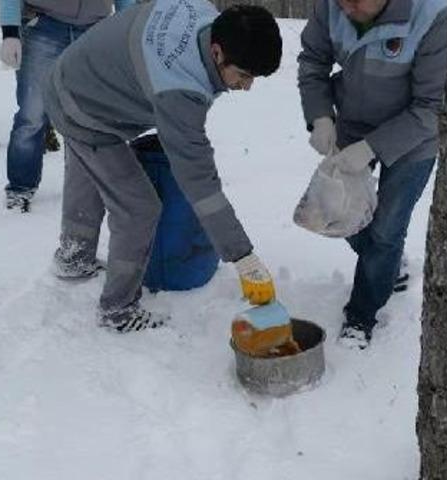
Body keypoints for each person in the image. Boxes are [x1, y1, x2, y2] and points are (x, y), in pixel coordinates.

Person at [42, 1, 283, 332]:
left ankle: (74, 256)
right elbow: (199, 181)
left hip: (73, 77)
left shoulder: (204, 13)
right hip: (85, 110)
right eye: (243, 75)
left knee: (88, 172)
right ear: (216, 52)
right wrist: (242, 256)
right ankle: (118, 310)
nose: (246, 86)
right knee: (138, 208)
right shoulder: (180, 88)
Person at [297, 0, 447, 348]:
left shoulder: (432, 15)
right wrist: (320, 115)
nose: (346, 7)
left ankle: (361, 316)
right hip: (351, 123)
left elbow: (432, 107)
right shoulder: (332, 7)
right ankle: (388, 264)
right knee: (337, 215)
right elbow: (313, 62)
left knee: (385, 231)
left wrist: (372, 148)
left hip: (413, 139)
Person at [0, 0, 132, 212]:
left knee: (91, 118)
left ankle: (87, 188)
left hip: (95, 31)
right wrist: (10, 32)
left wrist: (128, 29)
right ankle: (20, 189)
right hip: (43, 27)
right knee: (32, 116)